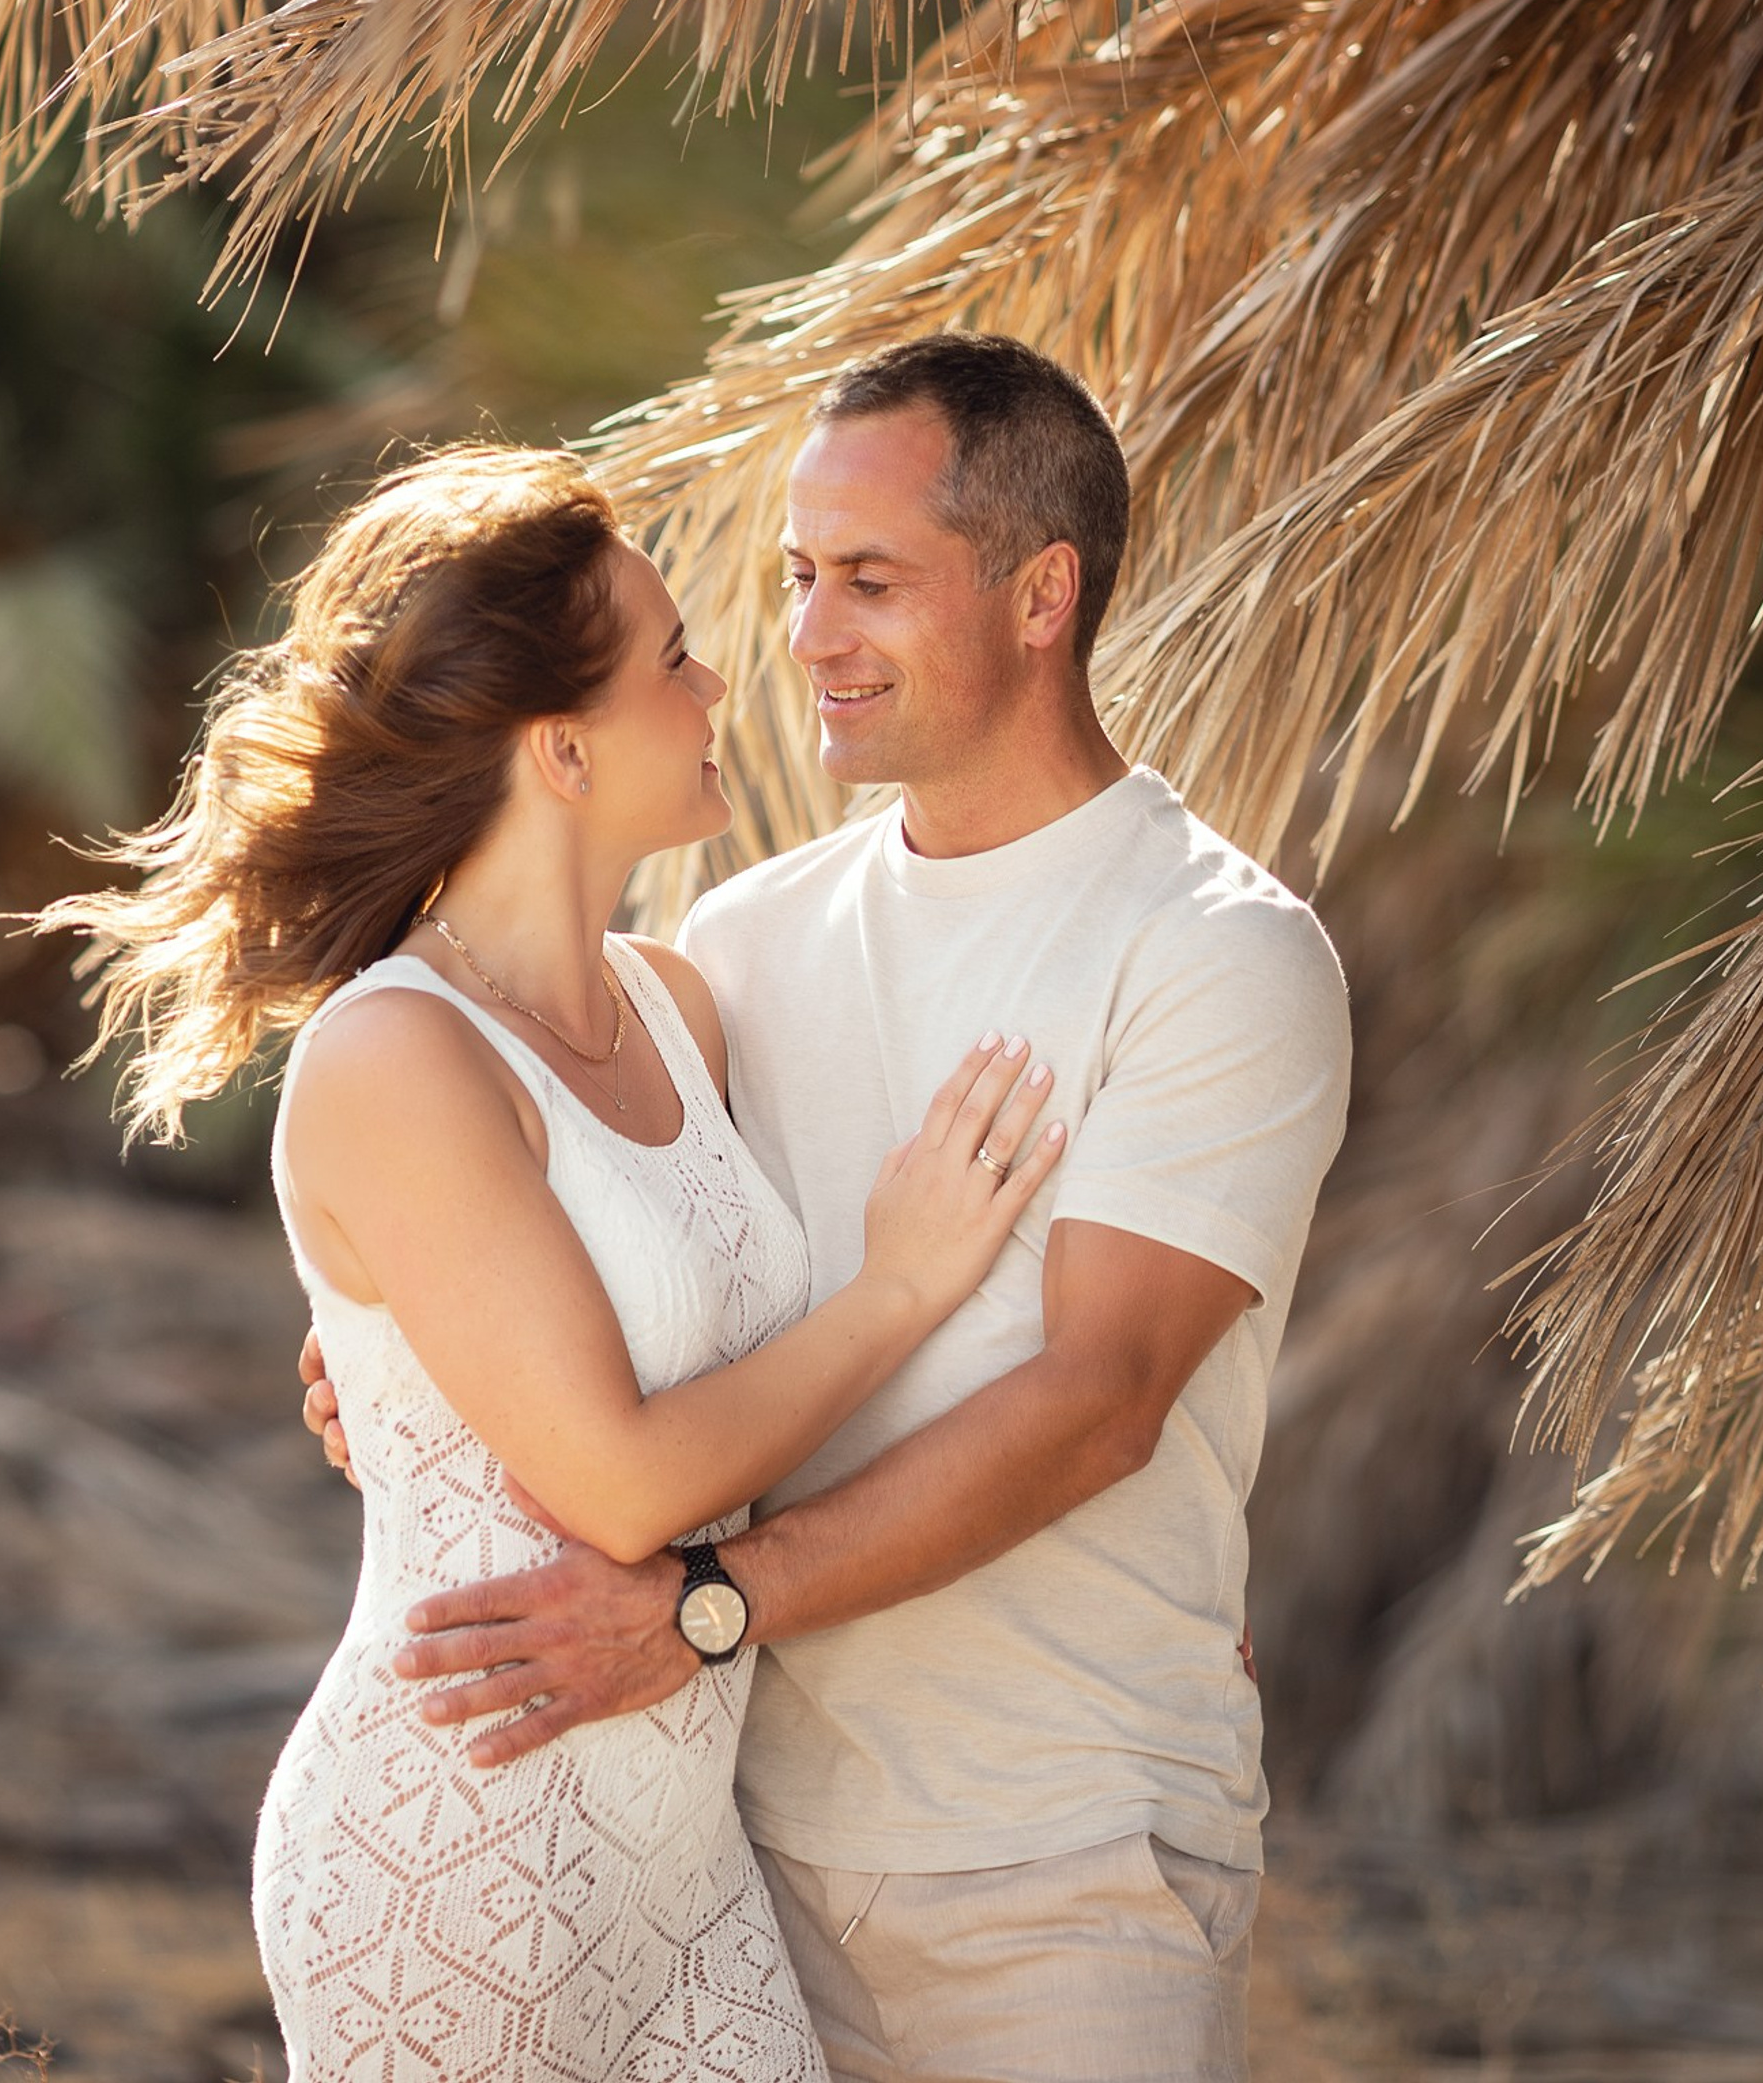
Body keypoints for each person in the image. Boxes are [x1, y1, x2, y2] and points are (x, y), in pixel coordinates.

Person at [305, 337, 1353, 2082]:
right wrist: (395, 1346)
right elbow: (603, 1239)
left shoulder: (1214, 952)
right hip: (731, 1867)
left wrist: (703, 1605)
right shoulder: (739, 948)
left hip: (1064, 1862)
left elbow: (1099, 1404)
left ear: (1043, 595)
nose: (803, 635)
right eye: (799, 577)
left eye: (870, 580)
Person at [41, 444, 1069, 2082]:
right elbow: (619, 1483)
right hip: (458, 1845)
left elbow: (677, 1336)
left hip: (682, 1858)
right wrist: (898, 1287)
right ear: (565, 747)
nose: (719, 683)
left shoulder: (681, 1007)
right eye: (674, 659)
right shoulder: (396, 1054)